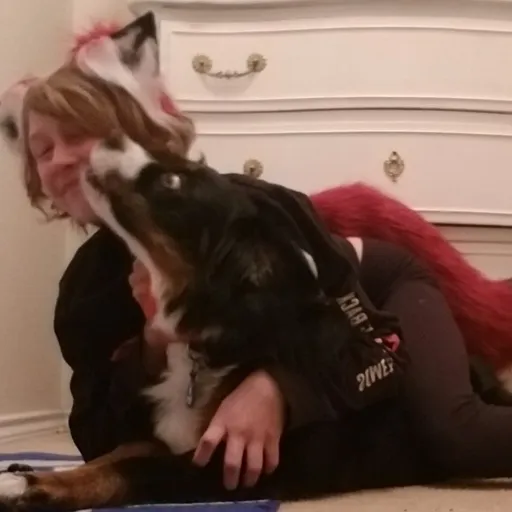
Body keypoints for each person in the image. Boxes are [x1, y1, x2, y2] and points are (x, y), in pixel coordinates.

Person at [3, 10, 512, 495]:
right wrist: (154, 343)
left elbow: (369, 345)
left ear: (130, 130)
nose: (60, 158)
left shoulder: (251, 211)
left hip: (373, 289)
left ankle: (465, 386)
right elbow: (97, 437)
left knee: (453, 433)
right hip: (327, 341)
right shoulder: (85, 291)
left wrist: (278, 389)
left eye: (77, 135)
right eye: (42, 150)